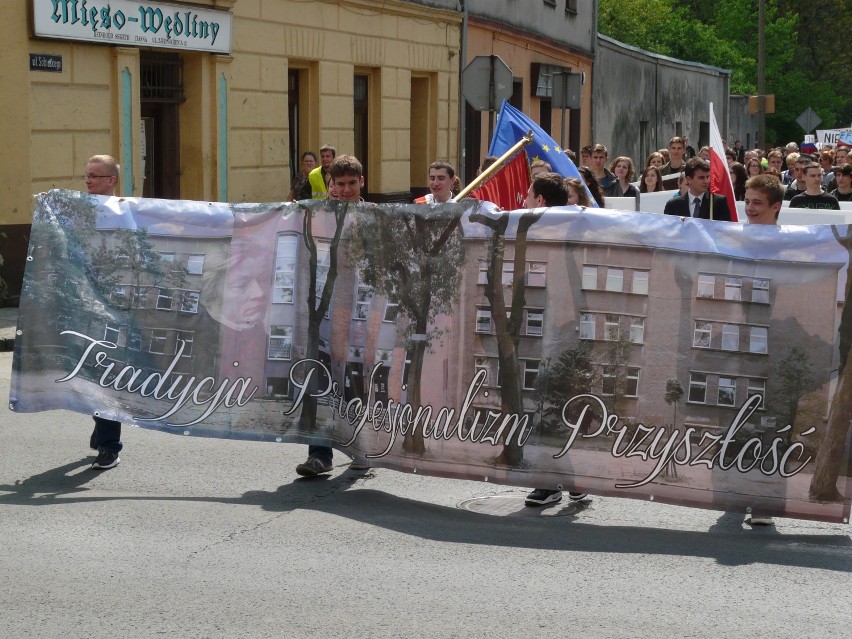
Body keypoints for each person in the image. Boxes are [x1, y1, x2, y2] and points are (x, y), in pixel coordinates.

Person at [295, 154, 371, 477]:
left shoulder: (374, 217)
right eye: (339, 184)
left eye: (351, 183)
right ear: (331, 185)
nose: (345, 189)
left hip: (359, 311)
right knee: (320, 378)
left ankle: (360, 448)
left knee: (354, 382)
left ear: (361, 183)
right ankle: (320, 455)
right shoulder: (319, 215)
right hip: (322, 311)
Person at [522, 173, 588, 507]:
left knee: (550, 404)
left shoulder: (561, 231)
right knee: (552, 404)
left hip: (561, 331)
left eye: (528, 195)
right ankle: (571, 479)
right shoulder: (560, 228)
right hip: (549, 330)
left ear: (541, 202)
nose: (523, 201)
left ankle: (549, 483)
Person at [84, 155, 123, 470]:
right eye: (86, 175)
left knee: (106, 374)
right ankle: (101, 427)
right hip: (83, 304)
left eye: (95, 176)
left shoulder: (126, 212)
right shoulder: (78, 211)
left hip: (115, 307)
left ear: (111, 180)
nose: (88, 181)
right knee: (89, 373)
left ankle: (109, 446)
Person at [663, 157, 732, 221]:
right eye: (701, 178)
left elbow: (725, 231)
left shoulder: (718, 202)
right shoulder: (673, 205)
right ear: (689, 179)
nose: (706, 181)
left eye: (707, 177)